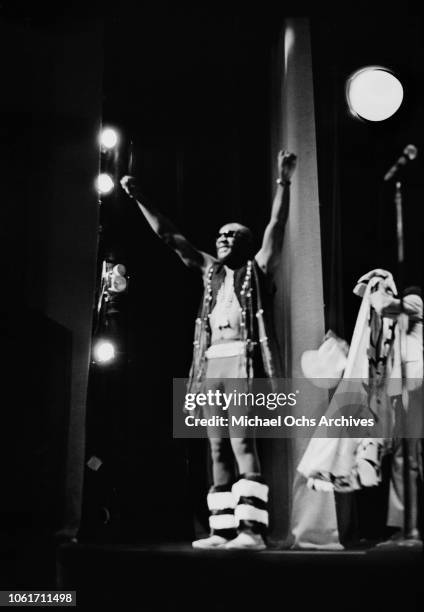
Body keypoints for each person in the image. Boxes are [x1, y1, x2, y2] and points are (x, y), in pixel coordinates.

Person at [121, 150, 297, 550]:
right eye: (220, 234)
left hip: (241, 362)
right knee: (215, 445)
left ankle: (252, 531)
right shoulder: (208, 271)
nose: (222, 238)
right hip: (208, 365)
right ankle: (222, 530)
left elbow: (277, 225)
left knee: (241, 442)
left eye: (232, 234)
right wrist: (140, 197)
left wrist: (283, 182)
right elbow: (170, 237)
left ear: (247, 244)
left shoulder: (259, 267)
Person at [298, 269, 423, 544]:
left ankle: (411, 529)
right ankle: (405, 528)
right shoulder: (400, 325)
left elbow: (381, 304)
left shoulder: (414, 306)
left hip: (416, 391)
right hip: (402, 393)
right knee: (403, 463)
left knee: (410, 462)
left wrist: (379, 281)